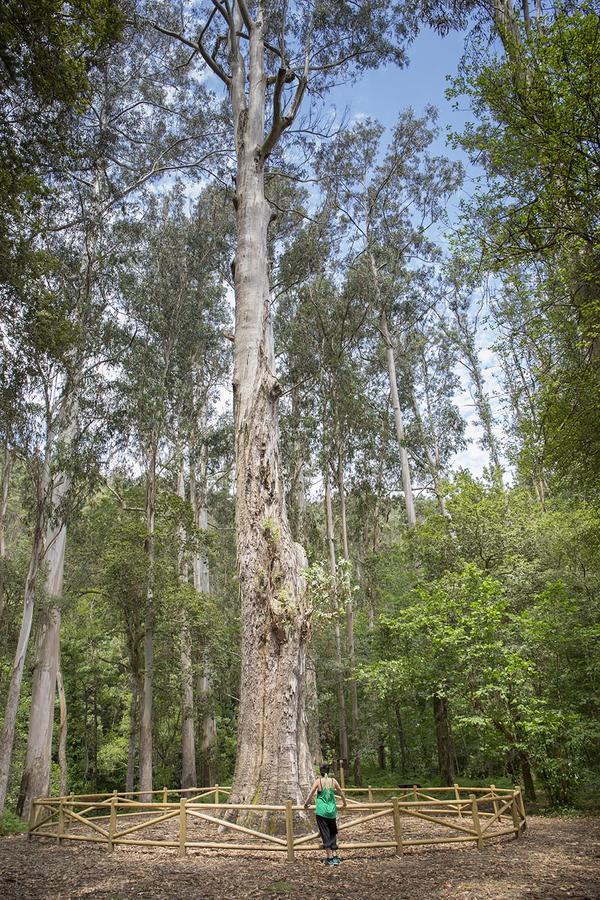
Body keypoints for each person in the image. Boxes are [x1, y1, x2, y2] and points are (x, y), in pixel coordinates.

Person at [303, 763, 347, 865]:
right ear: (328, 771)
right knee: (333, 832)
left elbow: (311, 793)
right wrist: (344, 803)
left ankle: (329, 858)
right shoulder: (333, 781)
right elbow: (341, 793)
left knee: (325, 833)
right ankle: (335, 856)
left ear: (320, 771)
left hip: (322, 812)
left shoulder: (318, 782)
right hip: (332, 812)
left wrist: (306, 803)